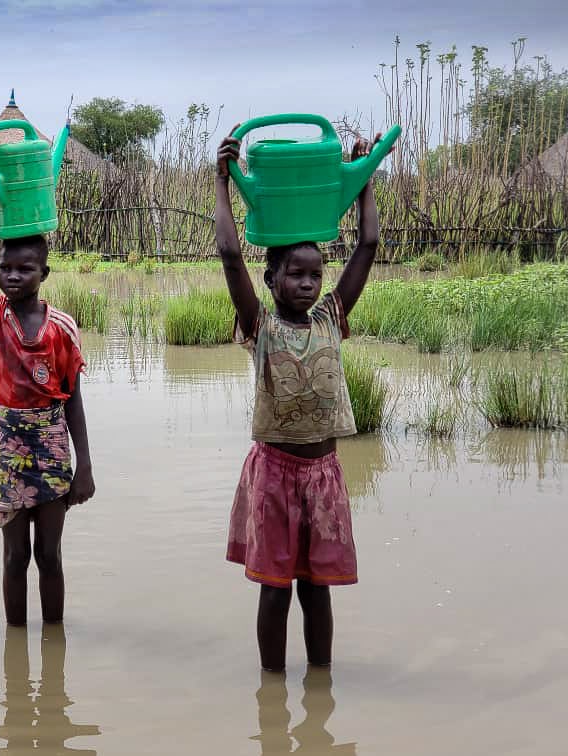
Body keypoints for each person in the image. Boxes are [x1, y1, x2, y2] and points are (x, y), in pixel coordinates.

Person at [215, 126, 384, 671]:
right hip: (274, 474)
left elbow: (369, 245)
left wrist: (362, 182)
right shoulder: (259, 325)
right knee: (274, 591)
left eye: (315, 274)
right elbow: (229, 256)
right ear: (272, 279)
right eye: (296, 274)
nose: (309, 283)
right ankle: (271, 691)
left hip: (324, 475)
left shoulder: (333, 319)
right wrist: (222, 181)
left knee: (318, 590)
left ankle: (319, 686)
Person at [0, 145, 95, 627]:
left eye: (25, 268)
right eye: (6, 267)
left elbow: (73, 401)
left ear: (44, 273)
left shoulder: (61, 328)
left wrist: (85, 468)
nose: (13, 276)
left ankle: (53, 647)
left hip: (53, 447)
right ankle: (17, 649)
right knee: (15, 557)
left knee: (50, 557)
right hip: (8, 447)